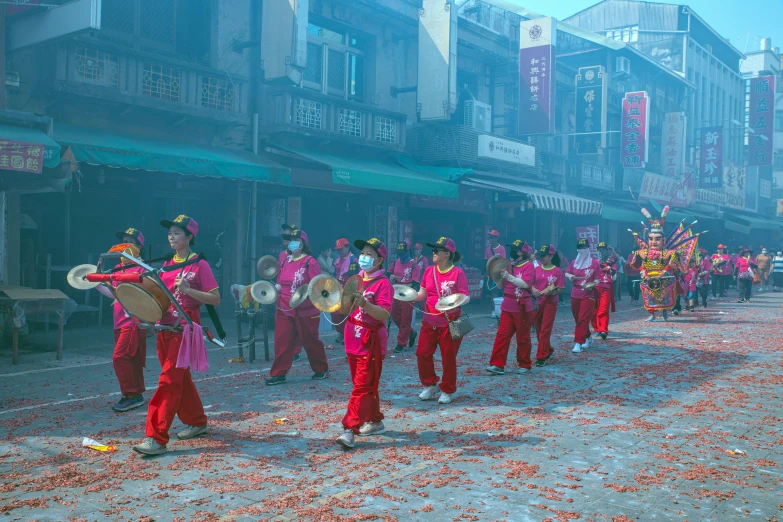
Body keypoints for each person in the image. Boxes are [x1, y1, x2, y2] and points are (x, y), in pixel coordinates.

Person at [132, 215, 219, 456]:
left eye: (177, 233)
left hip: (185, 328)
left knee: (169, 381)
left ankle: (156, 437)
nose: (171, 236)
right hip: (165, 326)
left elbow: (215, 298)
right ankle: (197, 420)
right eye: (170, 232)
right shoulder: (167, 264)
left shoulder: (200, 264)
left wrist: (190, 290)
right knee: (179, 378)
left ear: (189, 237)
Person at [336, 238, 393, 450]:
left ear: (379, 260)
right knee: (364, 385)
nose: (364, 257)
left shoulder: (383, 284)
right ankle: (375, 420)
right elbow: (344, 309)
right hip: (353, 338)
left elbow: (384, 313)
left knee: (362, 386)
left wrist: (365, 303)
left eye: (369, 254)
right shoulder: (355, 280)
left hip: (371, 342)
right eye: (363, 253)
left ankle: (349, 430)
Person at [265, 228, 329, 385]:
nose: (293, 243)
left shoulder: (310, 262)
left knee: (310, 341)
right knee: (282, 341)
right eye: (291, 240)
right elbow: (280, 283)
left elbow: (317, 285)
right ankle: (279, 373)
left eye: (297, 240)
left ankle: (321, 368)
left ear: (303, 244)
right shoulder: (285, 261)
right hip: (285, 307)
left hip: (305, 309)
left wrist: (307, 295)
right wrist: (272, 290)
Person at [96, 228, 147, 412]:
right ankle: (137, 394)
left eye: (130, 241)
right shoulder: (119, 268)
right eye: (123, 241)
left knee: (120, 357)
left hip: (133, 321)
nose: (124, 245)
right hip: (120, 321)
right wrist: (96, 284)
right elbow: (115, 294)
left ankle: (129, 395)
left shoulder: (142, 268)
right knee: (130, 359)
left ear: (139, 246)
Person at [415, 237, 470, 405]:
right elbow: (422, 293)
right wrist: (407, 296)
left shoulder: (457, 273)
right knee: (422, 353)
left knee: (448, 357)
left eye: (436, 250)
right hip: (429, 320)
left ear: (446, 254)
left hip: (450, 322)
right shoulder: (429, 271)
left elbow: (466, 297)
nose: (433, 253)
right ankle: (430, 384)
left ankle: (447, 389)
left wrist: (453, 303)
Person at [629, 207, 702, 322]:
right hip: (648, 278)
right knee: (649, 297)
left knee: (664, 297)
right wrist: (644, 272)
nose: (654, 242)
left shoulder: (669, 253)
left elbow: (672, 265)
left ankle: (664, 312)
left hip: (664, 278)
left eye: (657, 239)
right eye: (651, 239)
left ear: (663, 240)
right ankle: (652, 315)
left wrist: (662, 273)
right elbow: (638, 265)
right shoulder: (642, 253)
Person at [486, 240, 536, 375]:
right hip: (508, 304)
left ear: (522, 252)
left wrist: (508, 276)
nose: (513, 252)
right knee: (502, 335)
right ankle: (497, 364)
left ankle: (525, 364)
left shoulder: (529, 266)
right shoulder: (508, 265)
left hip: (522, 305)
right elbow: (501, 286)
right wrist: (497, 276)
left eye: (516, 249)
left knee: (523, 336)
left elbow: (525, 284)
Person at [532, 244, 564, 367]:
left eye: (544, 256)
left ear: (551, 256)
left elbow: (560, 288)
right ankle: (548, 349)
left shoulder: (557, 271)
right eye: (541, 256)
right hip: (537, 302)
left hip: (550, 303)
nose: (542, 258)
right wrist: (534, 289)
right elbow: (530, 283)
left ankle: (541, 356)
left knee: (545, 329)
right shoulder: (537, 269)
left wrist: (553, 291)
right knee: (539, 329)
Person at [566, 238, 600, 353]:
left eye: (584, 248)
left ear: (588, 248)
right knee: (577, 318)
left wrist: (592, 284)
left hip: (588, 294)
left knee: (583, 318)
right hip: (575, 293)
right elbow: (567, 272)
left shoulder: (594, 263)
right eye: (580, 248)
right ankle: (587, 337)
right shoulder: (574, 262)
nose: (582, 250)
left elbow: (598, 279)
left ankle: (578, 343)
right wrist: (571, 277)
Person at [388, 240, 421, 353]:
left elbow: (416, 282)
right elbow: (389, 273)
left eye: (403, 253)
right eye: (399, 253)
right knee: (395, 316)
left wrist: (407, 286)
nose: (401, 255)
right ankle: (411, 333)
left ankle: (401, 343)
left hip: (408, 295)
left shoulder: (414, 265)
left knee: (405, 319)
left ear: (408, 251)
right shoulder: (396, 262)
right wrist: (391, 276)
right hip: (396, 294)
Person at [331, 238, 357, 345]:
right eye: (338, 249)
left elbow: (356, 276)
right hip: (338, 288)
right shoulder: (337, 260)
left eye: (341, 249)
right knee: (335, 313)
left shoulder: (353, 260)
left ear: (347, 247)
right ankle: (341, 332)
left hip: (349, 289)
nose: (339, 251)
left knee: (347, 313)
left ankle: (347, 334)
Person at [591, 242, 617, 340]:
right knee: (594, 310)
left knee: (604, 309)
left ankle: (603, 330)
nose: (601, 251)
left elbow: (614, 278)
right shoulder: (593, 262)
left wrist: (611, 270)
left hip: (606, 287)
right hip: (595, 288)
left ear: (606, 250)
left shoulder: (611, 262)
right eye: (599, 249)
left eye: (603, 249)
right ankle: (596, 328)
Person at [485, 230, 506, 318]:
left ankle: (503, 310)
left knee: (501, 293)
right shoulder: (487, 249)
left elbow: (503, 262)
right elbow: (486, 262)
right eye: (489, 237)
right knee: (492, 293)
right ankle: (494, 310)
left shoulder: (501, 248)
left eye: (492, 237)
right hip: (490, 275)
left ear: (497, 238)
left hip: (499, 275)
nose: (490, 239)